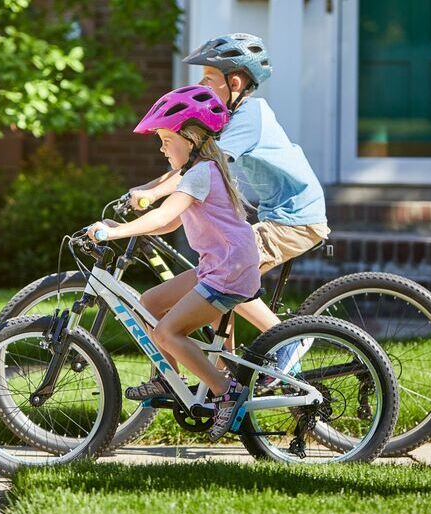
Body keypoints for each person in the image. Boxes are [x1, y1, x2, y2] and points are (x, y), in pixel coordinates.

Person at [129, 33, 330, 387]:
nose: (202, 86)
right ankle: (222, 376)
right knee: (218, 277)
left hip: (296, 219)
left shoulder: (250, 115)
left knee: (231, 271)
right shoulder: (224, 119)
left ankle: (287, 338)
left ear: (234, 82)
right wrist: (148, 188)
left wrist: (154, 196)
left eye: (208, 79)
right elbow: (191, 164)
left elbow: (198, 169)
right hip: (277, 215)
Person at [86, 85, 260, 441]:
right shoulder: (198, 173)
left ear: (191, 138)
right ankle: (169, 378)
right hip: (219, 265)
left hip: (228, 271)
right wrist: (122, 228)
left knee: (166, 331)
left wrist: (111, 236)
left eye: (167, 139)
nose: (162, 147)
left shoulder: (200, 173)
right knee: (149, 304)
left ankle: (225, 391)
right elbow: (170, 222)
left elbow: (163, 212)